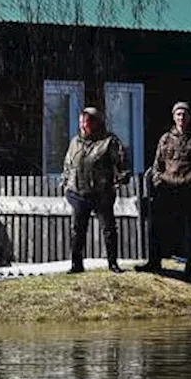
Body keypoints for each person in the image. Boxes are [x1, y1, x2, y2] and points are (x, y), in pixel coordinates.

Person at [140, 101, 191, 277]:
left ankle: (189, 268)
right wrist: (159, 181)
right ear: (174, 117)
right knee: (156, 226)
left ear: (189, 117)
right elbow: (157, 166)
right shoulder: (165, 138)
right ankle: (154, 262)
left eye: (184, 114)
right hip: (167, 189)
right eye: (178, 114)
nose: (181, 117)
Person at [60, 106, 131, 274]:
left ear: (96, 123)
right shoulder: (75, 142)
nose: (83, 126)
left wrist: (121, 178)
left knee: (109, 228)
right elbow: (68, 164)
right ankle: (76, 265)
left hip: (102, 193)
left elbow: (122, 163)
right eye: (81, 123)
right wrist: (65, 182)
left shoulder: (109, 141)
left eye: (86, 122)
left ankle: (113, 264)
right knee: (78, 229)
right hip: (79, 192)